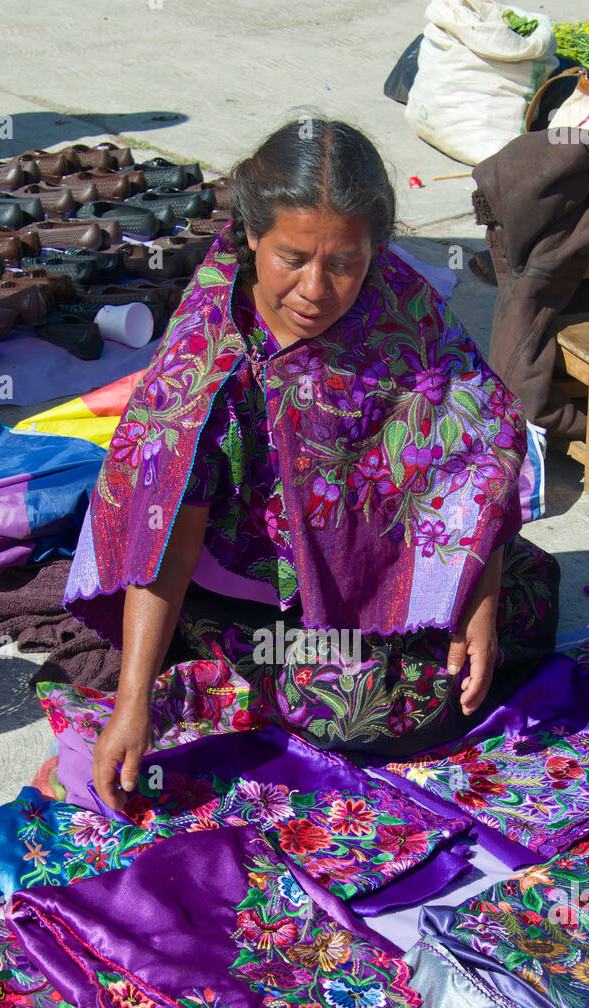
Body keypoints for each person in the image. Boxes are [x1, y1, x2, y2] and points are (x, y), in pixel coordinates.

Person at [64, 120, 559, 810]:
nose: (316, 289)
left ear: (375, 250)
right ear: (250, 238)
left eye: (345, 262)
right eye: (291, 258)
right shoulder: (210, 355)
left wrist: (475, 598)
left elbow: (473, 454)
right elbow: (166, 519)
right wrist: (132, 700)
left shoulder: (399, 304)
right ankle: (205, 631)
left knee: (528, 599)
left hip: (365, 551)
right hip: (255, 584)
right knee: (364, 709)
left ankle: (404, 610)